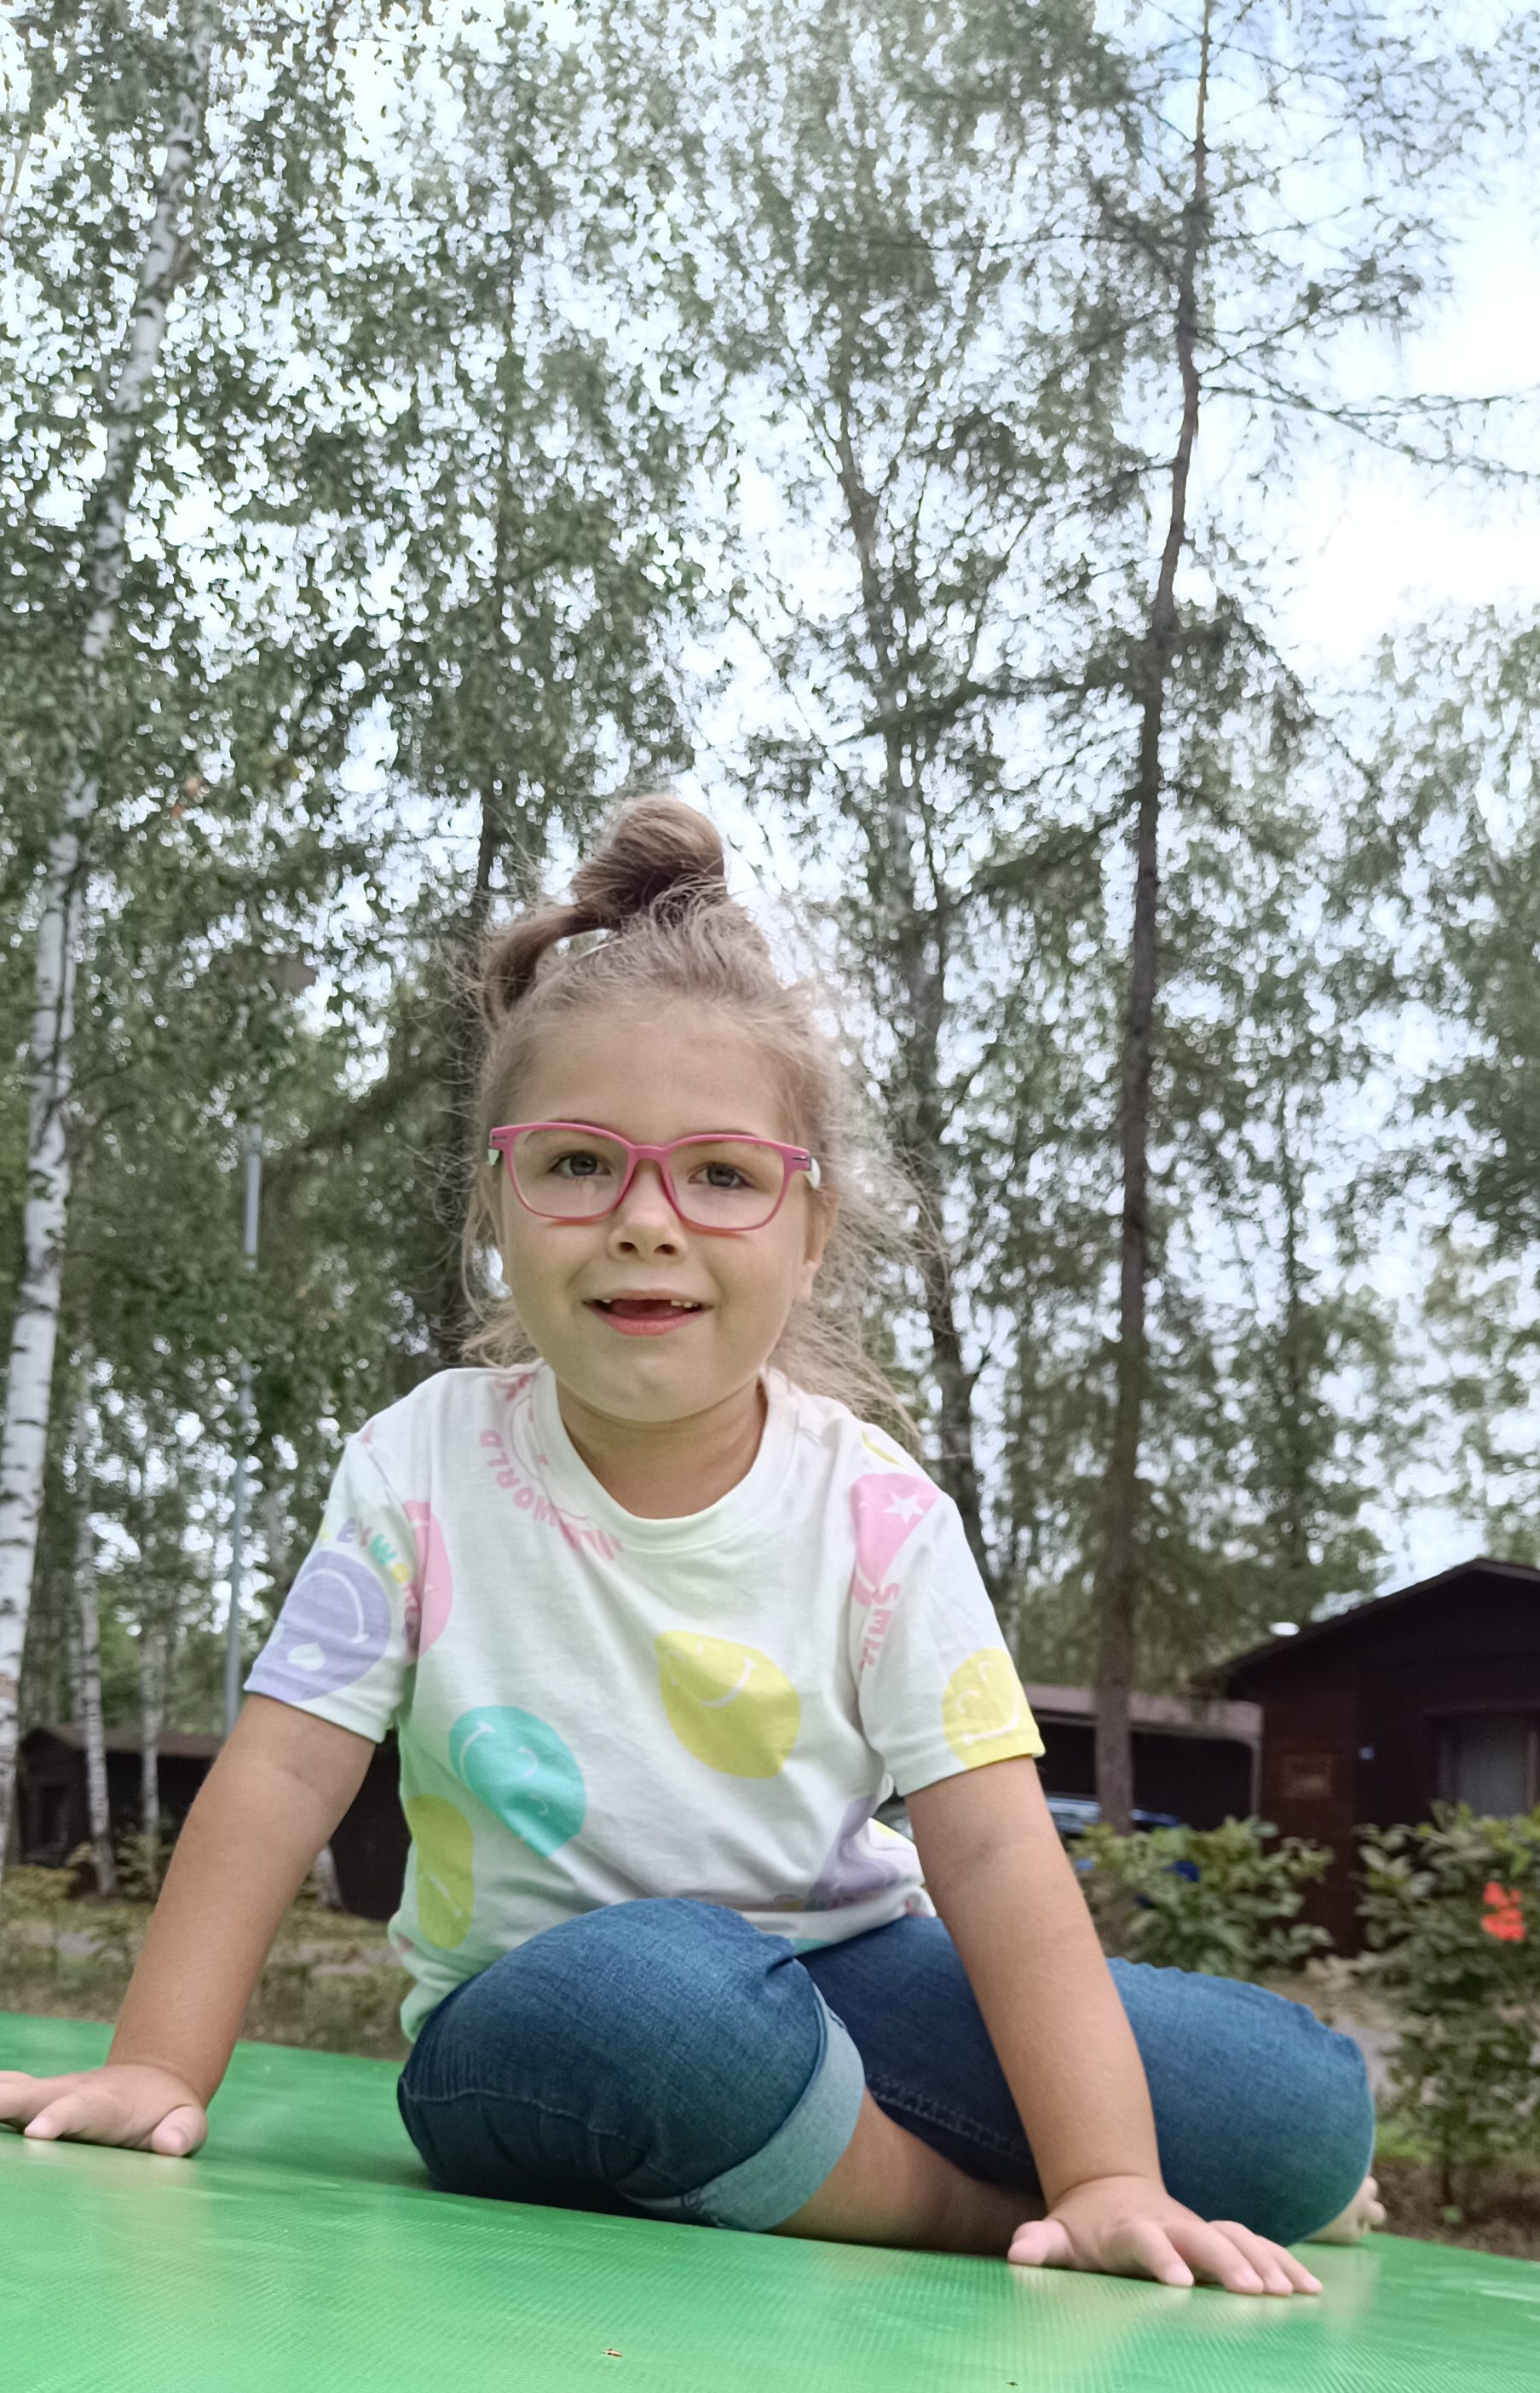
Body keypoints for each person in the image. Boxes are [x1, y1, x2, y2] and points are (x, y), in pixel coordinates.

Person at [0, 799, 1377, 2289]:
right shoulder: (420, 1467)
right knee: (660, 2001)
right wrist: (157, 2064)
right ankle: (969, 2216)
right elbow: (280, 1775)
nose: (647, 1221)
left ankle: (880, 2161)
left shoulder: (877, 1514)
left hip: (846, 1975)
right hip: (544, 2022)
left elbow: (991, 1854)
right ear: (498, 1202)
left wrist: (1113, 2169)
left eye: (721, 1175)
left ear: (809, 1231)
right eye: (577, 1164)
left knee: (1295, 2106)